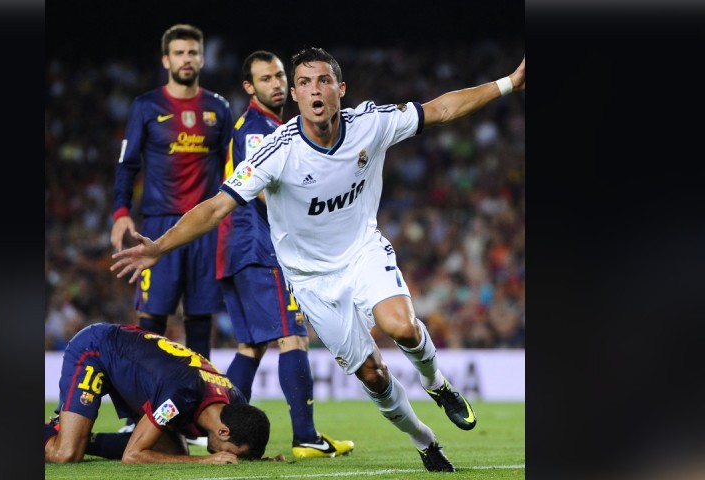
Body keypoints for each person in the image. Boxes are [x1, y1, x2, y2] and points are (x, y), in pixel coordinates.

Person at [111, 46, 526, 472]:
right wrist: (159, 246)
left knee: (401, 325)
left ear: (340, 89)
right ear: (294, 94)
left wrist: (509, 83)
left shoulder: (370, 123)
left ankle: (436, 383)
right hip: (310, 280)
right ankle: (425, 439)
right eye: (305, 83)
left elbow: (440, 109)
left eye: (324, 80)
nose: (316, 90)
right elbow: (217, 207)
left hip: (362, 252)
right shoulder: (277, 151)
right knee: (373, 376)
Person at [216, 50, 354, 459]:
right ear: (249, 87)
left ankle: (218, 433)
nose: (276, 84)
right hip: (260, 246)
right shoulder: (259, 129)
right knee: (293, 336)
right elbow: (260, 189)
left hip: (234, 248)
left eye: (279, 76)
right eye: (265, 78)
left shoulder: (264, 125)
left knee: (250, 346)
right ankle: (306, 436)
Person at [111, 23, 233, 361]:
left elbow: (234, 171)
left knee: (199, 320)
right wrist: (121, 213)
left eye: (193, 52)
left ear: (202, 58)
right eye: (179, 53)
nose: (187, 59)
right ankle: (141, 408)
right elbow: (127, 165)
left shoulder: (219, 108)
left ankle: (199, 406)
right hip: (158, 226)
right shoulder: (146, 107)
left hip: (204, 229)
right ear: (166, 60)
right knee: (151, 322)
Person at [44, 322, 271, 464]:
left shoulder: (234, 400)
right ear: (223, 431)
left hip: (133, 361)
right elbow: (132, 456)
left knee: (174, 452)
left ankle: (76, 435)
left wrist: (258, 458)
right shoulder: (180, 395)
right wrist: (204, 460)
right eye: (237, 454)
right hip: (95, 349)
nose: (233, 459)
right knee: (66, 454)